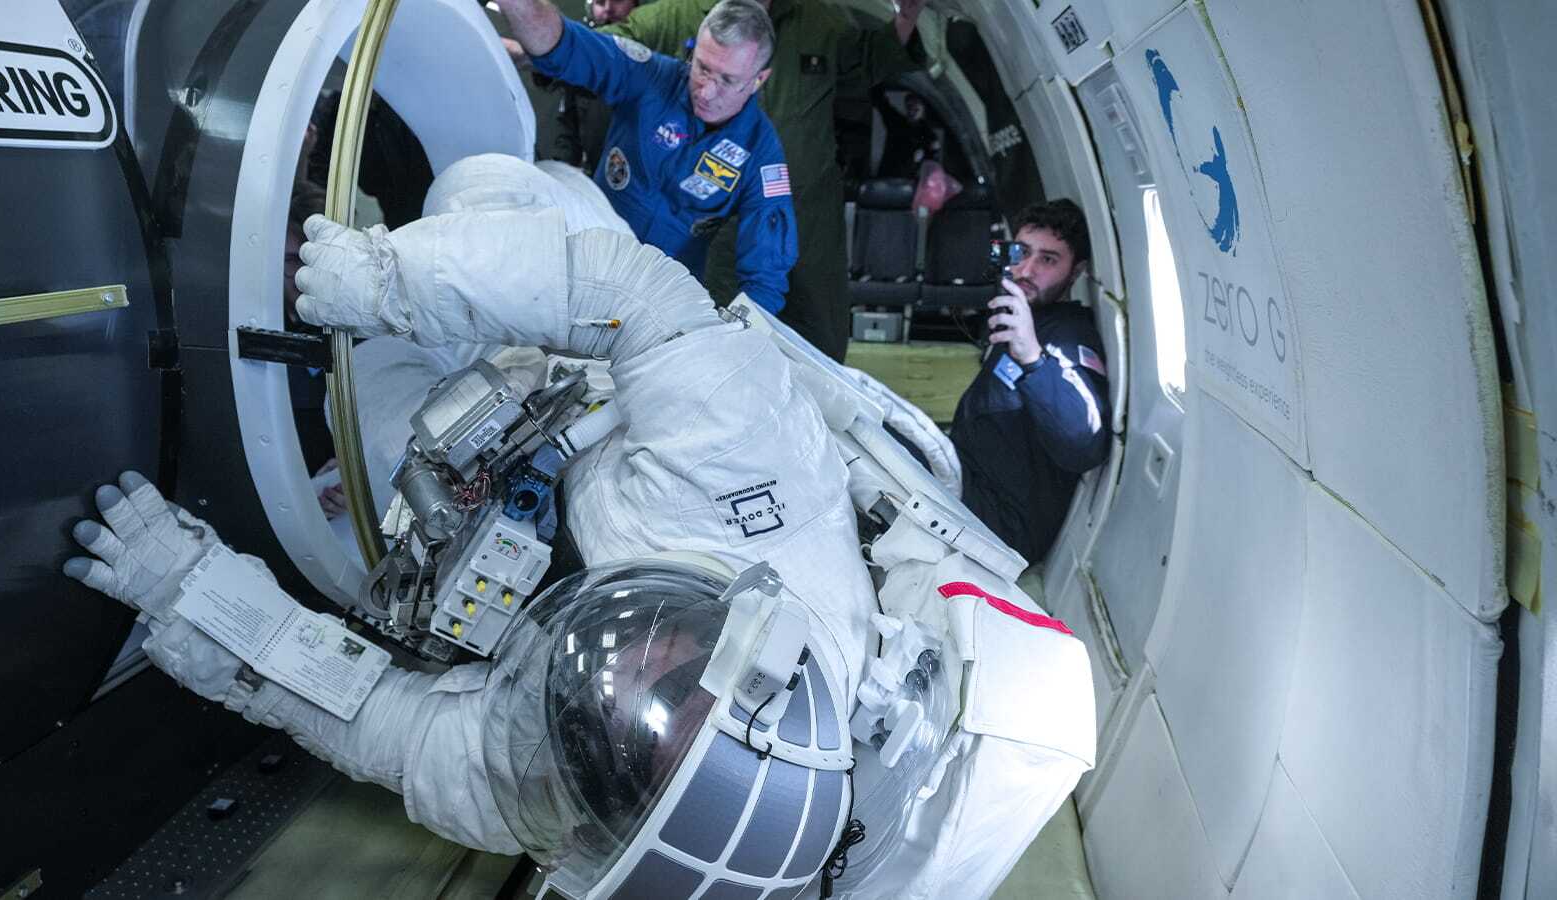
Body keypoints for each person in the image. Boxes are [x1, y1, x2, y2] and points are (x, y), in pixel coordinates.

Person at [62, 157, 1094, 899]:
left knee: (372, 395)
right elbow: (633, 297)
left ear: (608, 802)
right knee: (480, 189)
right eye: (669, 673)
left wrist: (187, 593)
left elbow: (366, 715)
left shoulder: (546, 784)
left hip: (553, 500)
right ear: (745, 653)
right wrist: (391, 279)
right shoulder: (757, 482)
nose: (628, 666)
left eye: (628, 731)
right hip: (626, 402)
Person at [601, 0, 927, 361]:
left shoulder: (820, 22)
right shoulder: (672, 17)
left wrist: (907, 16)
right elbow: (605, 51)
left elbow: (869, 61)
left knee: (818, 339)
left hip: (809, 220)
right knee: (713, 340)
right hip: (717, 225)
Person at [501, 0, 798, 314]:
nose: (707, 92)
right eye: (702, 68)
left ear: (759, 79)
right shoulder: (650, 77)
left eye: (727, 80)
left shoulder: (761, 154)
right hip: (581, 268)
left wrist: (736, 332)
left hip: (659, 307)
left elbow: (765, 281)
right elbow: (564, 46)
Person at [948, 199, 1112, 564]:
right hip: (968, 482)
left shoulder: (1067, 340)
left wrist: (1033, 358)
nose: (1026, 269)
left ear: (1076, 271)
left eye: (1048, 260)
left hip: (1001, 524)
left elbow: (1084, 445)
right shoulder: (1025, 316)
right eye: (1021, 253)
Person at [539, 0, 637, 174]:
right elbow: (568, 128)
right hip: (598, 174)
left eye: (618, 0)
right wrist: (562, 173)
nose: (608, 9)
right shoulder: (581, 61)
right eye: (600, 2)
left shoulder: (654, 62)